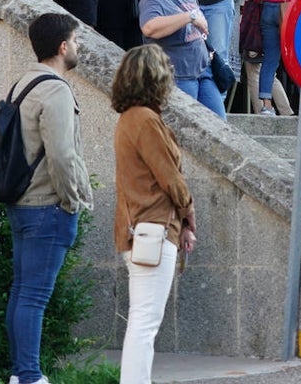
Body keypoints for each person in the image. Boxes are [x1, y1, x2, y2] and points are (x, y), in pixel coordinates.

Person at [4, 13, 93, 384]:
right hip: (46, 207)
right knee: (34, 297)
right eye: (75, 40)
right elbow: (61, 155)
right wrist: (72, 201)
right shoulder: (55, 89)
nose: (77, 46)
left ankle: (19, 373)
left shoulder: (22, 83)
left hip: (21, 204)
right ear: (62, 47)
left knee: (22, 292)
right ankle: (28, 375)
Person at [111, 44, 197, 384]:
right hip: (153, 230)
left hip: (140, 229)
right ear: (155, 80)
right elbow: (170, 179)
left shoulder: (129, 119)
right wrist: (189, 212)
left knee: (142, 321)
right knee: (145, 323)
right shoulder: (146, 120)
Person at [139, 0, 225, 119]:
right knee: (185, 127)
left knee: (220, 124)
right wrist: (189, 16)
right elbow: (149, 28)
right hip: (178, 75)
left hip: (203, 70)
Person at [241, 0, 293, 115]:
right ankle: (286, 111)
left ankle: (262, 112)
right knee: (270, 73)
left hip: (256, 35)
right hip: (268, 32)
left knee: (255, 72)